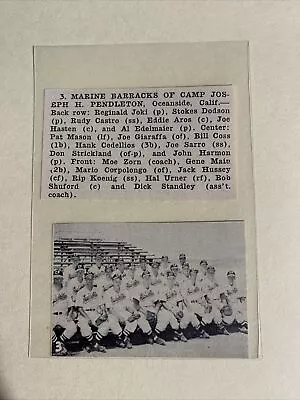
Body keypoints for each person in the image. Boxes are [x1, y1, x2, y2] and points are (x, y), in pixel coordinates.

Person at [76, 270, 123, 353]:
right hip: (84, 314)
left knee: (105, 325)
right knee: (85, 329)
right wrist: (87, 318)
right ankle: (95, 344)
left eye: (91, 279)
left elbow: (101, 303)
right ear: (85, 279)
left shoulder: (97, 290)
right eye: (87, 279)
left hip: (95, 313)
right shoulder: (80, 292)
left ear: (93, 279)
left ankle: (93, 343)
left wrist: (104, 313)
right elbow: (79, 308)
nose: (89, 281)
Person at [104, 271, 153, 349]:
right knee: (113, 322)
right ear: (112, 281)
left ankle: (122, 338)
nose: (117, 283)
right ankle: (125, 339)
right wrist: (119, 317)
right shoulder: (108, 293)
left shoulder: (125, 291)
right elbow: (109, 309)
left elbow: (128, 306)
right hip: (113, 313)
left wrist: (133, 312)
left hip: (124, 311)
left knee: (134, 319)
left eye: (119, 281)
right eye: (115, 281)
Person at [156, 270, 188, 342]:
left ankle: (175, 333)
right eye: (169, 278)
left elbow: (180, 301)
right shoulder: (163, 288)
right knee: (170, 316)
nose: (171, 280)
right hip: (165, 309)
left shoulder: (176, 288)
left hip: (174, 307)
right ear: (167, 279)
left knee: (184, 316)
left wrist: (180, 310)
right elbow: (163, 303)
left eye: (173, 278)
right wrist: (173, 311)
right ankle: (179, 333)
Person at [52, 269, 77, 356]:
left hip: (63, 315)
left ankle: (59, 343)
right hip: (52, 316)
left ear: (62, 279)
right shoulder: (49, 290)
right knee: (44, 327)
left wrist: (70, 315)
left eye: (59, 278)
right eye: (55, 278)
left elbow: (71, 306)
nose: (57, 280)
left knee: (73, 327)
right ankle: (57, 344)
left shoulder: (66, 291)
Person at [180, 267, 210, 338]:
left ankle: (199, 329)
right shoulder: (185, 284)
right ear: (190, 274)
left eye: (195, 274)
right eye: (193, 274)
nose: (194, 275)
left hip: (197, 304)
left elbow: (201, 297)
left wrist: (204, 304)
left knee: (208, 313)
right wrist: (188, 307)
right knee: (190, 316)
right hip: (188, 304)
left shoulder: (198, 284)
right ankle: (200, 331)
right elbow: (184, 298)